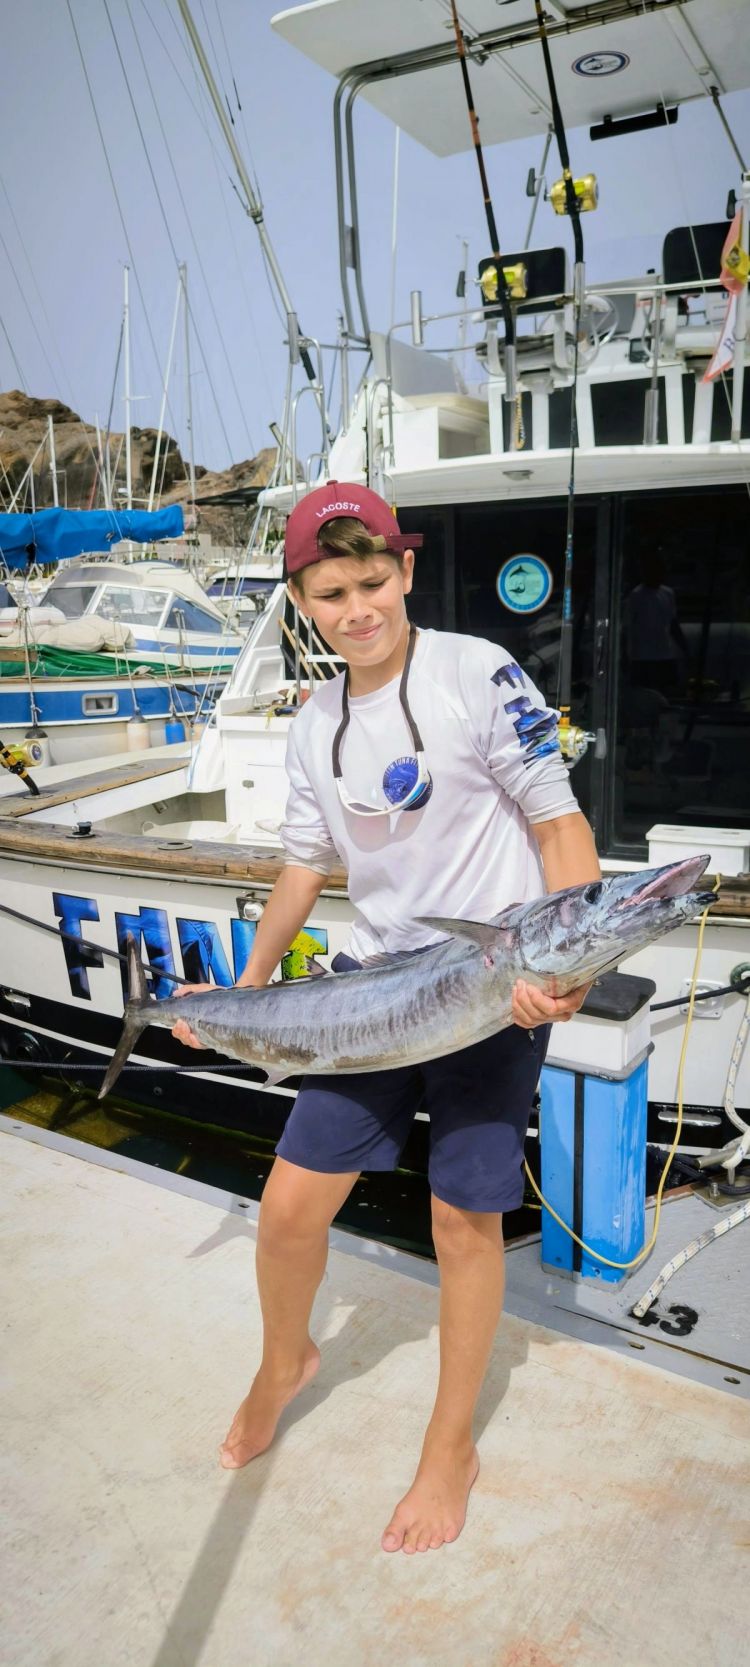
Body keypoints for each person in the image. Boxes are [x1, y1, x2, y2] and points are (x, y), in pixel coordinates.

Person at [172, 480, 600, 1554]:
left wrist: (574, 971)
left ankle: (450, 1441)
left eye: (372, 582)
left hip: (491, 988)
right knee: (287, 1206)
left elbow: (559, 827)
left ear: (405, 572)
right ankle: (287, 1359)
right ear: (302, 601)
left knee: (464, 1217)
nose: (358, 608)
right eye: (331, 593)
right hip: (371, 993)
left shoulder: (477, 672)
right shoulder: (315, 721)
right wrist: (244, 986)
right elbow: (306, 863)